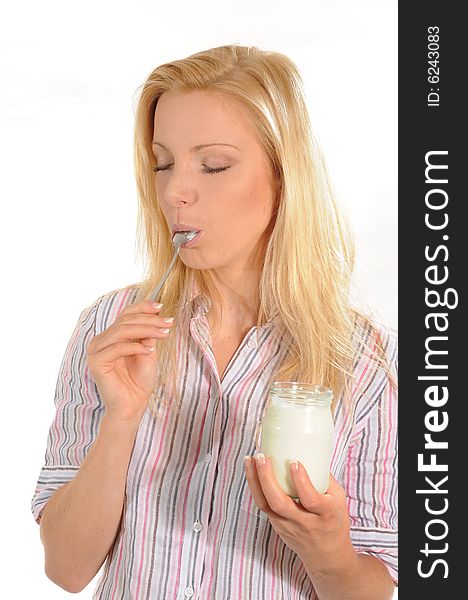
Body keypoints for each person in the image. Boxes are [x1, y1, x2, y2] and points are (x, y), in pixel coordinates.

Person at [31, 45, 397, 599]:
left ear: (284, 175)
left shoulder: (365, 361)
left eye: (215, 165)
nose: (175, 191)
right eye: (162, 162)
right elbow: (66, 568)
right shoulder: (112, 328)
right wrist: (121, 420)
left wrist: (329, 552)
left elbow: (373, 589)